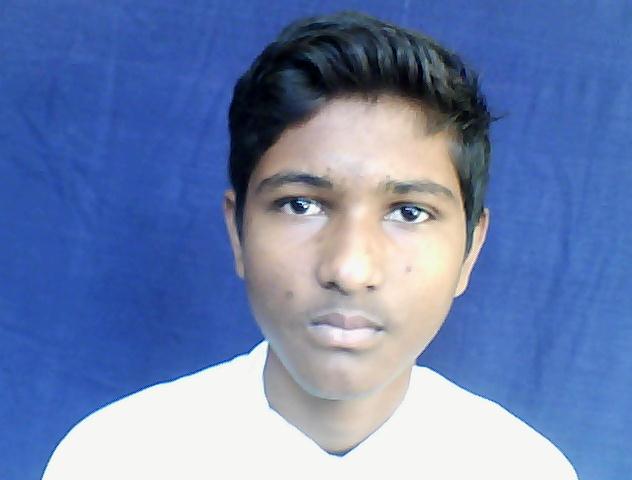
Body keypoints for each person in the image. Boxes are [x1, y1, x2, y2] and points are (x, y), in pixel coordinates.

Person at [43, 11, 577, 479]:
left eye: (409, 212)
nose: (349, 268)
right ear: (238, 231)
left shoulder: (524, 469)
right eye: (301, 205)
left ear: (470, 251)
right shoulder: (114, 459)